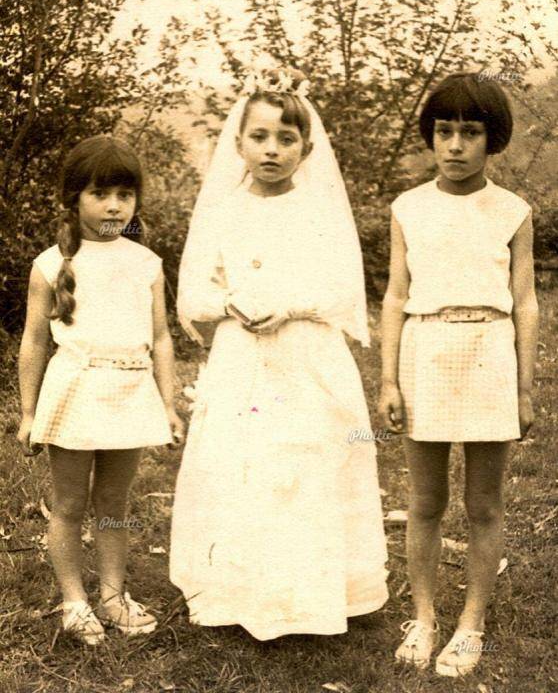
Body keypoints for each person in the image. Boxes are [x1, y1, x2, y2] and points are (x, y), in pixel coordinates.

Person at [170, 67, 388, 641]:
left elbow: (343, 290)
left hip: (306, 355)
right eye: (260, 137)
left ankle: (309, 596)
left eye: (286, 139)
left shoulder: (319, 210)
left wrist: (290, 306)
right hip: (242, 356)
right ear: (239, 144)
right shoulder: (223, 210)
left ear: (306, 148)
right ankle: (238, 592)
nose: (271, 150)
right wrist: (230, 302)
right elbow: (193, 292)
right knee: (241, 462)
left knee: (306, 463)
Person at [379, 72, 538, 676]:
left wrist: (523, 387)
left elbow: (525, 302)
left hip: (489, 352)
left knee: (484, 504)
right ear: (431, 136)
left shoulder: (512, 211)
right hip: (426, 350)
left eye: (470, 133)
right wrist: (389, 380)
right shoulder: (408, 208)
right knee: (425, 500)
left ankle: (470, 624)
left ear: (491, 139)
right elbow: (396, 296)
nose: (454, 145)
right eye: (444, 131)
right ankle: (423, 617)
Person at [17, 136, 185, 646]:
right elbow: (34, 341)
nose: (114, 206)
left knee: (114, 500)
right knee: (69, 503)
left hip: (129, 390)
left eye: (124, 195)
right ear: (75, 199)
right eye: (100, 194)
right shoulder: (51, 264)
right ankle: (74, 601)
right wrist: (28, 412)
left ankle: (113, 596)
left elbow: (161, 338)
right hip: (75, 392)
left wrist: (169, 403)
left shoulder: (146, 262)